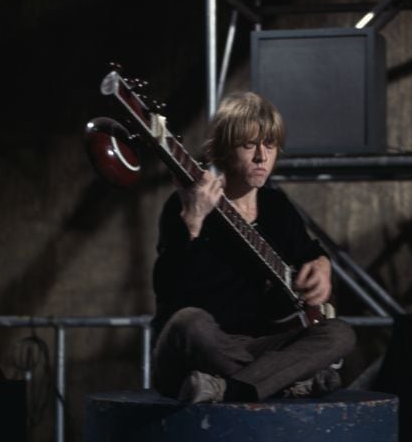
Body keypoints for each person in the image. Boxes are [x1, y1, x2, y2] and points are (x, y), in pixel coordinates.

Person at [151, 91, 356, 403]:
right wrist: (192, 221)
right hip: (196, 351)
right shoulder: (186, 205)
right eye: (249, 145)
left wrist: (322, 265)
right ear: (223, 150)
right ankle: (285, 381)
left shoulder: (277, 208)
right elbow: (167, 290)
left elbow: (309, 253)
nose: (262, 157)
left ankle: (229, 389)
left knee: (340, 334)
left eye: (269, 145)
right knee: (189, 322)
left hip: (255, 346)